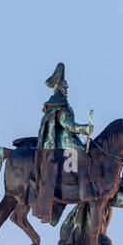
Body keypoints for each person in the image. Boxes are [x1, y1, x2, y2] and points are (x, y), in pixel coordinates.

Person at [33, 62, 93, 223]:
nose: (67, 91)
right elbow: (68, 125)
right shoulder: (61, 105)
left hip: (64, 142)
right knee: (84, 158)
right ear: (59, 88)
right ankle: (84, 192)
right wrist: (84, 128)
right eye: (65, 88)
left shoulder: (56, 104)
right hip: (65, 143)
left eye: (67, 88)